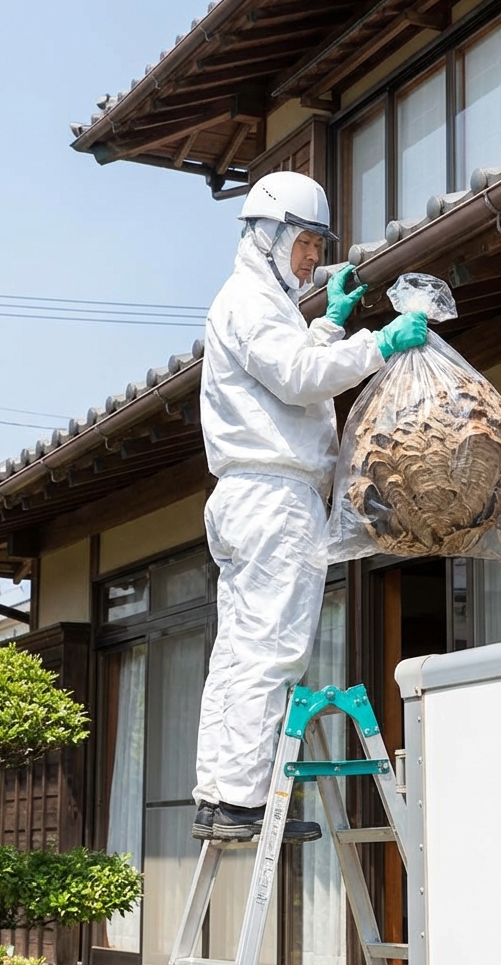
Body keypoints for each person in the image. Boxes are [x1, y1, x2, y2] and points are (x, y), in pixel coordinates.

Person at [191, 171, 427, 842]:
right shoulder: (253, 300)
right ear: (267, 233)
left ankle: (219, 797)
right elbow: (297, 379)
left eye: (318, 244)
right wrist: (377, 345)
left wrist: (328, 323)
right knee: (272, 651)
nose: (313, 258)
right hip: (275, 498)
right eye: (303, 242)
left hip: (246, 496)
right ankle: (243, 805)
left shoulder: (256, 300)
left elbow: (290, 364)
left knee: (238, 653)